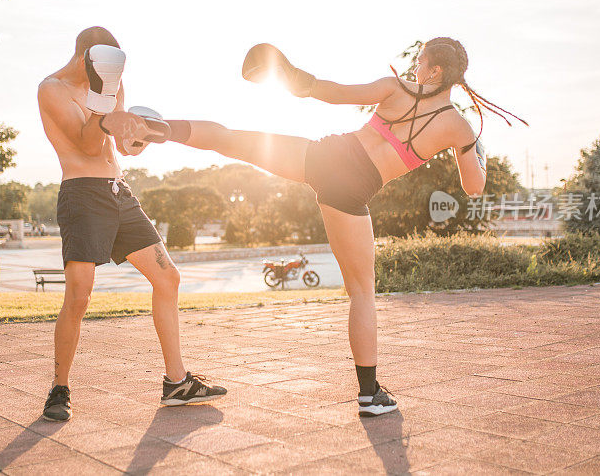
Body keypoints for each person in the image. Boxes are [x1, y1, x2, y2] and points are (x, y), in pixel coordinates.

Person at [148, 37, 525, 417]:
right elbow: (474, 187)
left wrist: (290, 75)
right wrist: (476, 150)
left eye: (422, 59)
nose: (416, 66)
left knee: (232, 141)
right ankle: (370, 395)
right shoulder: (459, 127)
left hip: (326, 156)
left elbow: (324, 92)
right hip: (351, 190)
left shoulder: (393, 88)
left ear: (436, 70)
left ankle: (154, 127)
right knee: (362, 292)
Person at [36, 26, 226, 421]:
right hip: (81, 193)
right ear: (85, 58)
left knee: (167, 277)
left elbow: (120, 146)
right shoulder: (52, 89)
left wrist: (140, 136)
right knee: (80, 295)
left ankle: (176, 382)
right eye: (103, 68)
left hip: (118, 191)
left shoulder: (114, 84)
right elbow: (88, 145)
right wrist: (106, 104)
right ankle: (59, 388)